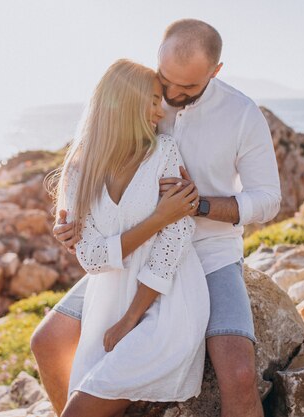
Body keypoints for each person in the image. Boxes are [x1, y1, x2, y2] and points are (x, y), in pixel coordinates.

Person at [32, 19, 281, 417]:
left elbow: (268, 200)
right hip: (134, 249)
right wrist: (70, 218)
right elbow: (96, 157)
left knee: (238, 374)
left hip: (211, 252)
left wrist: (196, 204)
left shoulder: (242, 114)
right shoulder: (143, 99)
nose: (170, 97)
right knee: (47, 341)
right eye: (166, 82)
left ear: (215, 72)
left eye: (188, 89)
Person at [47, 58, 210, 417]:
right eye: (152, 100)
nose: (159, 110)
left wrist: (130, 319)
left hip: (166, 299)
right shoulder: (80, 168)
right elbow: (89, 258)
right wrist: (157, 218)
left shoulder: (163, 152)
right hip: (106, 303)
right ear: (124, 103)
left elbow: (176, 236)